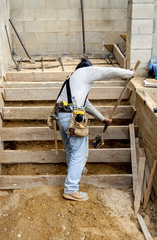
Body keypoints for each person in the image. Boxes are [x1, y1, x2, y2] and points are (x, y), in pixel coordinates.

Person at [56, 58, 135, 201]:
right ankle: (71, 189)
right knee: (78, 153)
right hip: (72, 118)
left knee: (72, 150)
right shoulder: (85, 72)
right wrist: (127, 73)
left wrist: (101, 118)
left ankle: (76, 173)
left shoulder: (73, 80)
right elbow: (108, 72)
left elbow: (85, 103)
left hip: (61, 116)